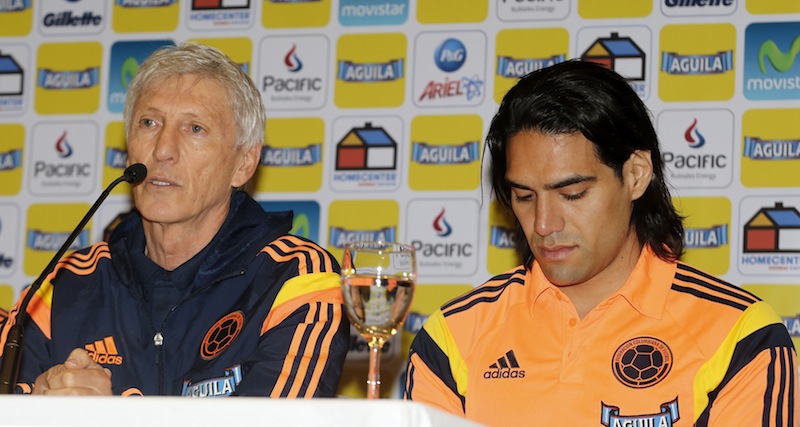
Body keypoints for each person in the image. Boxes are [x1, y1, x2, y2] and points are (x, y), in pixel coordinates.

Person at [403, 60, 798, 426]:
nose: (543, 224)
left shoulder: (741, 336)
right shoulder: (452, 336)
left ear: (636, 175)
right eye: (524, 196)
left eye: (572, 193)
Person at [0, 42, 349, 396]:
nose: (163, 150)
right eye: (149, 123)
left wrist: (116, 419)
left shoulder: (294, 278)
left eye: (194, 128)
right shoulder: (63, 287)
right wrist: (35, 406)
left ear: (244, 162)